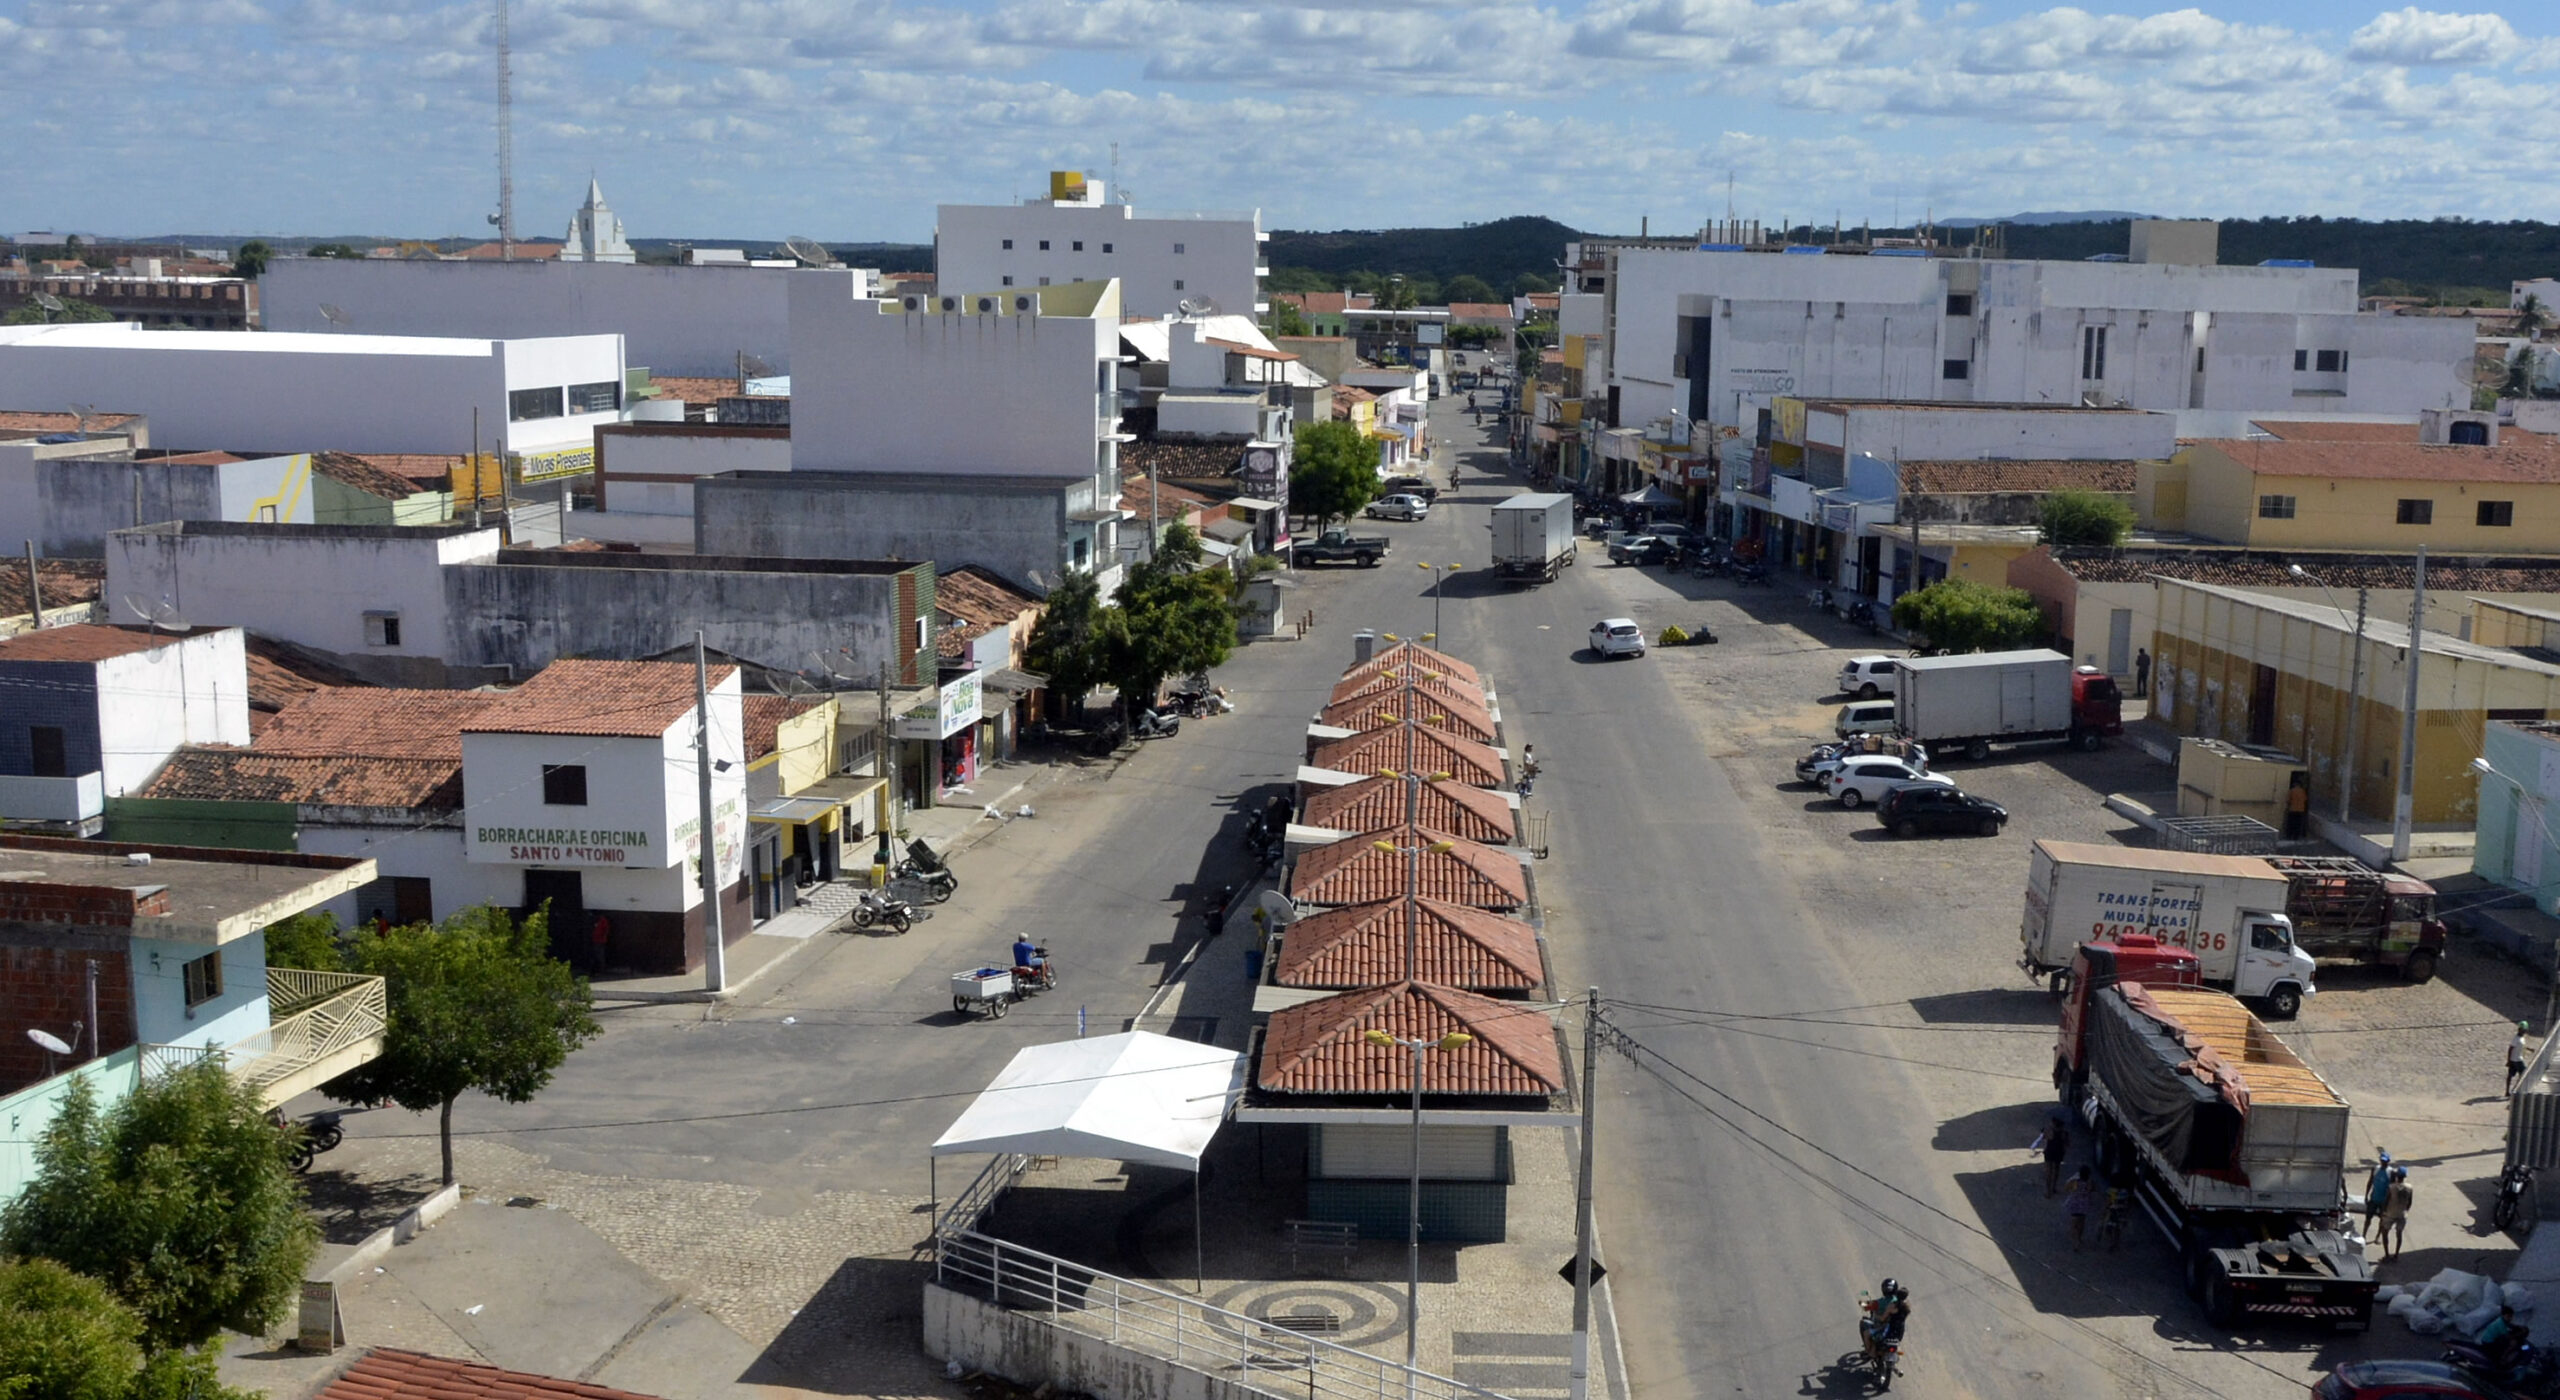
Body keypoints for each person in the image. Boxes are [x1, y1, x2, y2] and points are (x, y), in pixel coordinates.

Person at [1861, 1279, 1910, 1364]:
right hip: (1899, 1332)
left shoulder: (1891, 1305)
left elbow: (1881, 1318)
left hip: (1888, 1330)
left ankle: (1869, 1352)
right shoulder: (1907, 1307)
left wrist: (1876, 1314)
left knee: (1867, 1332)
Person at [2378, 1166, 2412, 1260]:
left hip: (2390, 1213)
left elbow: (2386, 1201)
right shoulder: (2409, 1187)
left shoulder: (2391, 1187)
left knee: (2385, 1232)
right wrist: (2405, 1210)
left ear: (2397, 1176)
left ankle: (2387, 1254)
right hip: (2402, 1214)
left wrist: (2383, 1212)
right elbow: (2409, 1202)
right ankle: (2396, 1254)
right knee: (2399, 1234)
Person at [2064, 1167, 2096, 1250]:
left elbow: (2067, 1188)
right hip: (2084, 1204)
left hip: (2074, 1203)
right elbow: (2092, 1190)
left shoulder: (2075, 1181)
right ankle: (2079, 1237)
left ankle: (2075, 1240)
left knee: (2074, 1222)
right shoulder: (2089, 1182)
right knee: (2082, 1222)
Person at [2362, 1151, 2394, 1234]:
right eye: (2382, 1161)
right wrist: (2366, 1195)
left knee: (2382, 1220)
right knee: (2368, 1218)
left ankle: (2378, 1236)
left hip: (2384, 1201)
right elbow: (2370, 1182)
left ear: (2388, 1161)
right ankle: (2364, 1234)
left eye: (2385, 1161)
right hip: (2374, 1198)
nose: (2383, 1163)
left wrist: (2389, 1201)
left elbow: (2392, 1188)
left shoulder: (2391, 1172)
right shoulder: (2375, 1169)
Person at [2042, 1113, 2072, 1197]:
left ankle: (2048, 1191)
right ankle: (2054, 1187)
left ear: (2053, 1122)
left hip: (2049, 1151)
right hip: (2059, 1152)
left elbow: (2044, 1138)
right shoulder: (2064, 1133)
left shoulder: (2048, 1130)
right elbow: (2068, 1144)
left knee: (2048, 1171)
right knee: (2056, 1170)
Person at [2512, 1021, 2534, 1097]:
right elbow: (2510, 1048)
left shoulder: (2521, 1038)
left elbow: (2522, 1046)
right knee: (2524, 1073)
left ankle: (2516, 1089)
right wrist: (2509, 1060)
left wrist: (2529, 1049)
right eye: (2523, 1030)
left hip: (2518, 1058)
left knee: (2520, 1074)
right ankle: (2517, 1090)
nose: (2524, 1031)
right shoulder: (2516, 1039)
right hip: (2517, 1060)